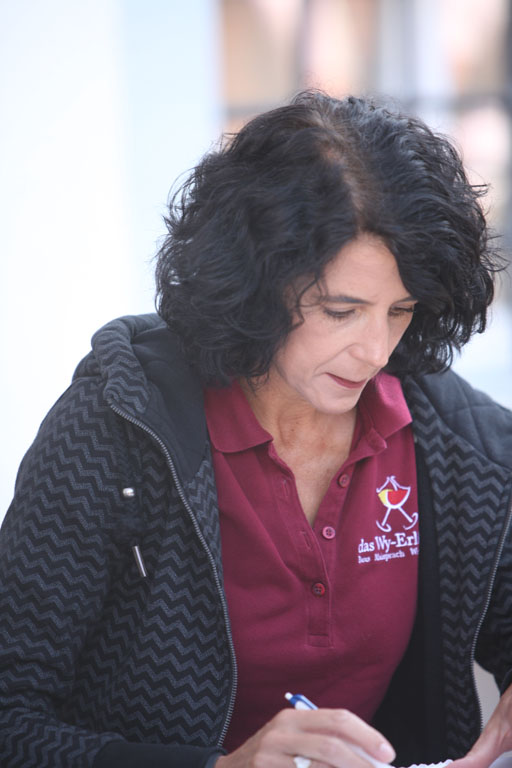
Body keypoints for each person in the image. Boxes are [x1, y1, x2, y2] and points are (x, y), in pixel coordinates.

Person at [0, 90, 511, 768]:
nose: (376, 352)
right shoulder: (112, 434)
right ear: (253, 283)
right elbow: (12, 720)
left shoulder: (463, 446)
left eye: (401, 310)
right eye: (341, 310)